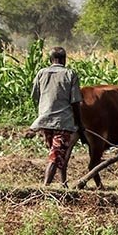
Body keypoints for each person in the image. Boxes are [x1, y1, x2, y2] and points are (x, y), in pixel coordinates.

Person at [30, 46, 83, 187]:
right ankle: (45, 187)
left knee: (55, 152)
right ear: (64, 60)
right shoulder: (70, 74)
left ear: (51, 60)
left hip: (44, 120)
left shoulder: (41, 73)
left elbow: (35, 95)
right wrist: (79, 123)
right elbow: (76, 101)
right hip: (63, 122)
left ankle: (63, 183)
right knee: (55, 156)